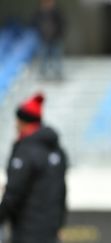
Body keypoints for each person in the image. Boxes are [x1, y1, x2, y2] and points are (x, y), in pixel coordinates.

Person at [0, 93, 67, 243]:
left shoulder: (25, 151)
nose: (15, 125)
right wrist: (59, 225)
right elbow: (62, 192)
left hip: (27, 233)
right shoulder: (57, 151)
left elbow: (14, 194)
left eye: (17, 121)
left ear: (23, 122)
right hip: (50, 233)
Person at [33, 0, 65, 80]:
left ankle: (58, 72)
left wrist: (58, 33)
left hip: (55, 38)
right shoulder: (39, 13)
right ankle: (43, 73)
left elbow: (62, 24)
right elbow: (35, 24)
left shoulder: (57, 12)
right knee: (43, 56)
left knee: (56, 55)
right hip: (44, 38)